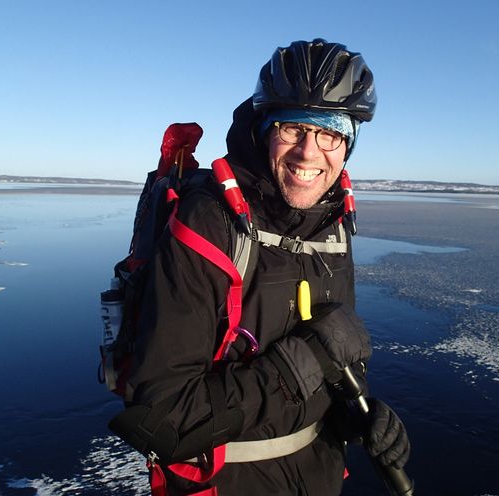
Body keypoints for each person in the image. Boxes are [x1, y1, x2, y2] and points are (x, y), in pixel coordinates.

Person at [117, 38, 410, 496]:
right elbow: (163, 419)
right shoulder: (209, 225)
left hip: (320, 477)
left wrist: (359, 416)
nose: (309, 153)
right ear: (262, 128)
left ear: (349, 143)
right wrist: (307, 361)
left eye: (330, 132)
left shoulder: (333, 228)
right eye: (293, 128)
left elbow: (336, 366)